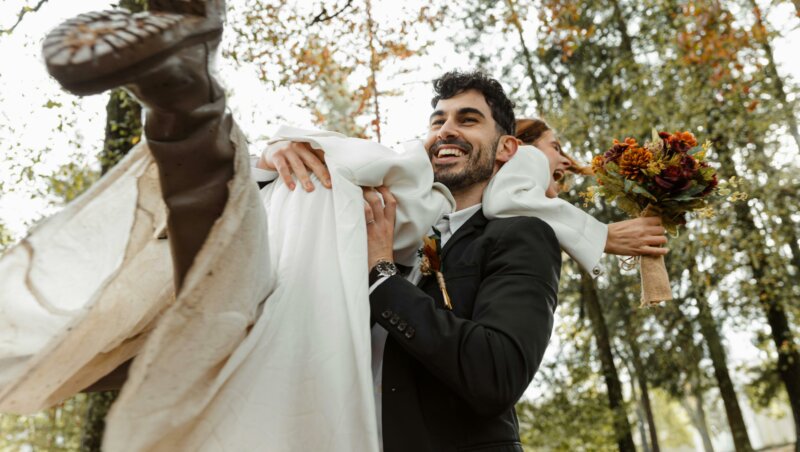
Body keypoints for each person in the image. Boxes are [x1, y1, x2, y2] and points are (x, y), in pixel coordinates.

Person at [514, 117, 669, 271]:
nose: (567, 162)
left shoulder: (536, 229)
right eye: (555, 147)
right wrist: (603, 236)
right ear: (517, 148)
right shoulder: (511, 199)